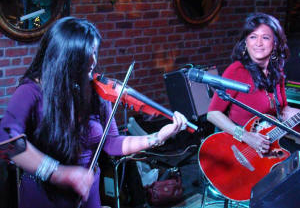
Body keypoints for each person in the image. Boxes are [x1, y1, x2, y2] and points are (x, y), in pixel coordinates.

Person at [0, 17, 188, 208]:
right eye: (86, 56)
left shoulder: (95, 91)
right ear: (65, 57)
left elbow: (112, 143)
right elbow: (7, 140)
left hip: (87, 195)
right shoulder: (31, 91)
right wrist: (59, 173)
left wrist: (157, 137)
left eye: (95, 53)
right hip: (43, 197)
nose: (93, 61)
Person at [207, 13, 300, 156]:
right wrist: (245, 135)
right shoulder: (237, 70)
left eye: (265, 37)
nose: (258, 43)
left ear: (275, 43)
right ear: (245, 42)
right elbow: (213, 114)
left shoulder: (277, 71)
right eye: (253, 37)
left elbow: (283, 110)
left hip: (268, 145)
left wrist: (294, 114)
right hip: (239, 150)